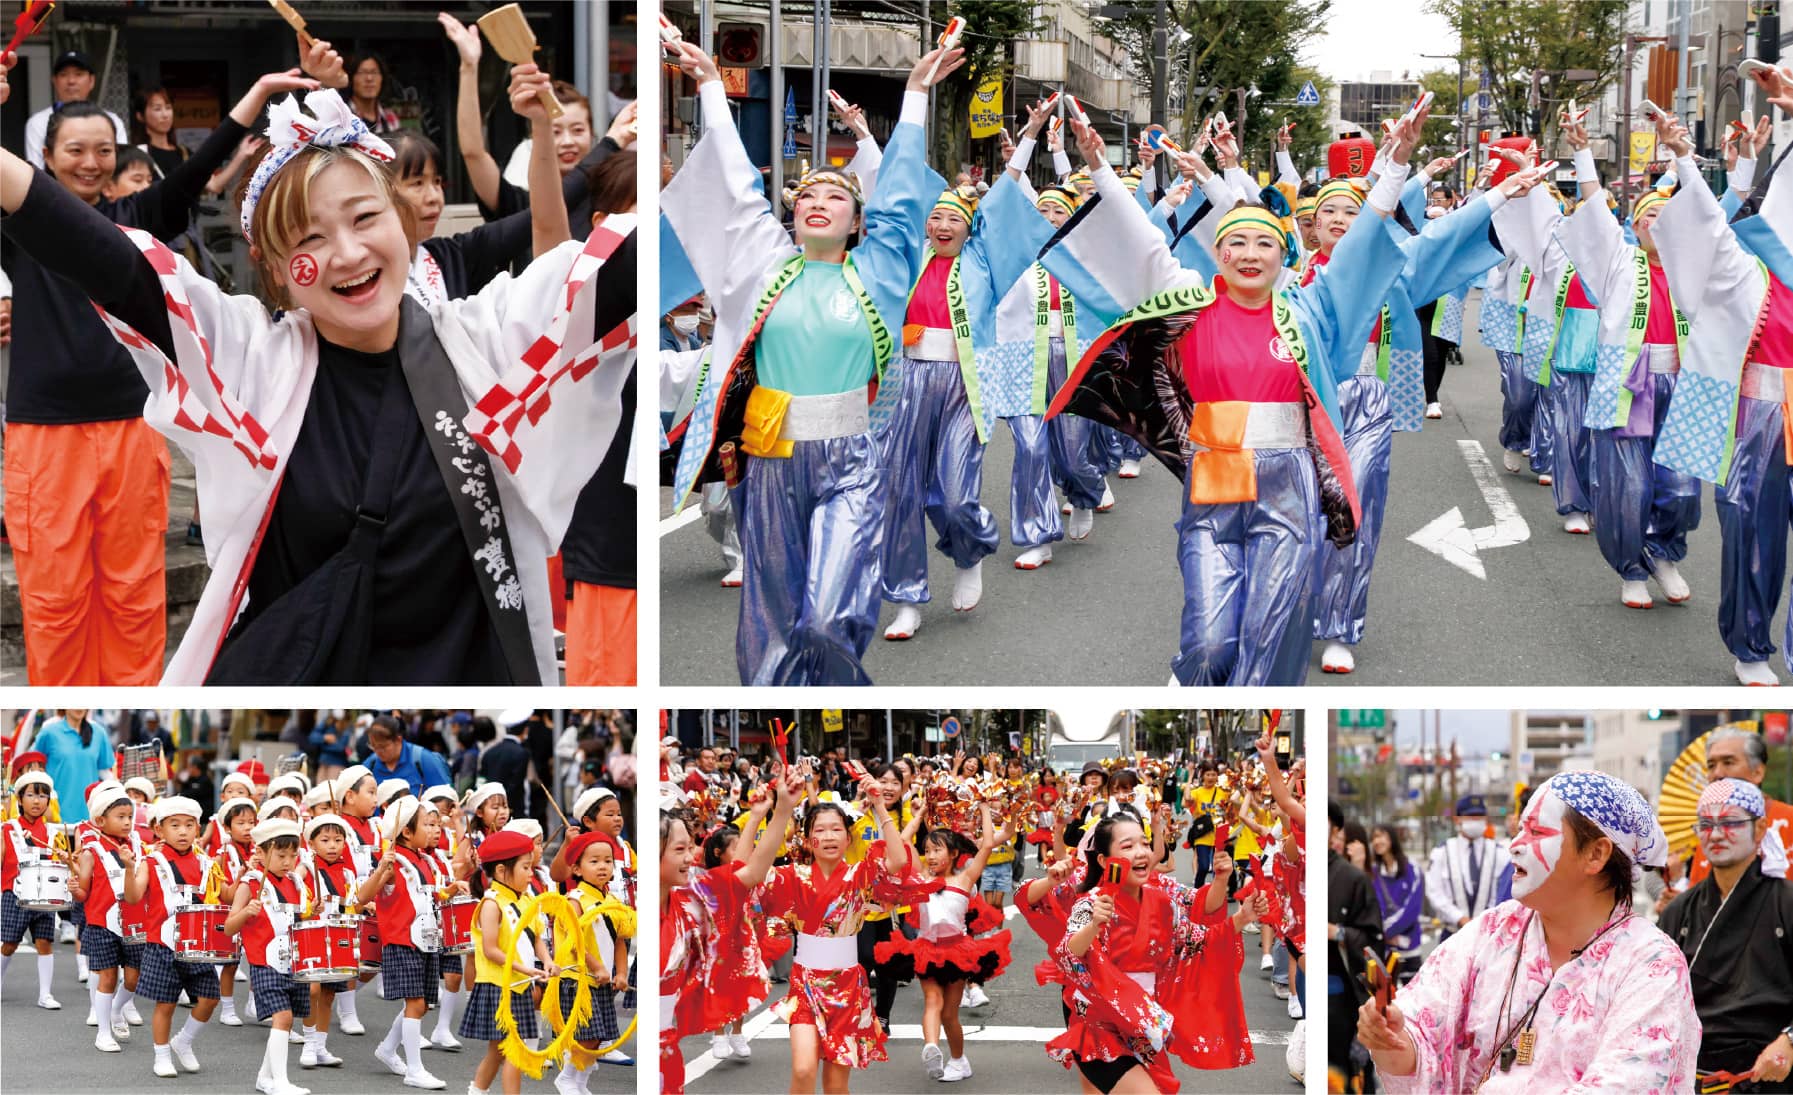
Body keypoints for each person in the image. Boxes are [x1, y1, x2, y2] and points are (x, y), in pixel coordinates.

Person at [0, 54, 634, 686]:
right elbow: (110, 264)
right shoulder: (252, 366)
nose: (348, 254)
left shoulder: (486, 343)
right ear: (273, 268)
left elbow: (624, 274)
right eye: (309, 240)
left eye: (365, 218)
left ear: (403, 224)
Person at [1037, 110, 1431, 685]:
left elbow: (1361, 247)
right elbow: (1144, 245)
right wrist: (1097, 166)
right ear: (1219, 254)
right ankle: (1197, 673)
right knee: (1211, 645)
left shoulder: (1310, 311)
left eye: (1263, 243)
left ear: (1282, 256)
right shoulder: (1189, 304)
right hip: (1213, 481)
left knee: (1270, 635)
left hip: (1287, 486)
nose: (1250, 253)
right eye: (1236, 242)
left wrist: (1395, 164)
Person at [661, 38, 964, 684]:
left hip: (850, 460)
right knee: (769, 621)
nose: (816, 201)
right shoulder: (766, 266)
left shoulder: (879, 271)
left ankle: (835, 688)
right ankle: (778, 706)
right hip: (769, 456)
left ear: (859, 220)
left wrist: (913, 96)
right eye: (804, 197)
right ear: (792, 217)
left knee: (828, 616)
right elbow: (737, 186)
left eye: (834, 197)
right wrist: (712, 86)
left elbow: (905, 195)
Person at [5, 66, 307, 684]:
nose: (91, 162)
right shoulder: (18, 224)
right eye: (76, 151)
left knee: (133, 595)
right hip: (45, 437)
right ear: (46, 156)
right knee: (55, 601)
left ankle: (136, 703)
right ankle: (65, 704)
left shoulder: (135, 217)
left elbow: (196, 175)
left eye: (104, 151)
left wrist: (253, 96)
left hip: (131, 429)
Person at [1356, 770, 1698, 1093]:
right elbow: (1417, 1031)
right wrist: (1390, 1036)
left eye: (1536, 832)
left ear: (1596, 854)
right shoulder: (1493, 930)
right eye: (1520, 830)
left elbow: (1628, 1082)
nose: (1515, 845)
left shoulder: (1653, 964)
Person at [1644, 92, 1793, 684]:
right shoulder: (1744, 268)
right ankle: (1751, 647)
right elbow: (1708, 220)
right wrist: (1684, 157)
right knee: (1752, 527)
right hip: (1760, 413)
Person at [1558, 115, 1701, 612]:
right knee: (1629, 486)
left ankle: (1664, 553)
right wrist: (1581, 154)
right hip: (1628, 382)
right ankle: (1632, 568)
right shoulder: (1619, 261)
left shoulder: (1697, 267)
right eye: (1648, 217)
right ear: (1635, 225)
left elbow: (1717, 213)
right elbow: (1596, 214)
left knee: (1681, 486)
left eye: (1668, 217)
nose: (1658, 225)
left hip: (1681, 382)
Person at [1659, 778, 1793, 1089]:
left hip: (1769, 1071)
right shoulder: (1678, 910)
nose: (1716, 834)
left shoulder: (1786, 902)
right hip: (1693, 1074)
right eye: (1705, 824)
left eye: (1730, 822)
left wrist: (1789, 1040)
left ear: (1760, 829)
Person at [873, 805, 1013, 1082]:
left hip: (957, 951)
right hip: (926, 949)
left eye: (937, 850)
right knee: (931, 1000)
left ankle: (959, 1061)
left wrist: (985, 807)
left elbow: (986, 844)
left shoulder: (965, 878)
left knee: (950, 1014)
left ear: (953, 854)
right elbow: (900, 843)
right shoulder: (920, 878)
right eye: (927, 850)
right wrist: (919, 815)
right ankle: (931, 1047)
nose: (931, 855)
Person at [129, 796, 222, 1078]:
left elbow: (223, 897)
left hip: (198, 943)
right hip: (162, 943)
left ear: (197, 828)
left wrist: (242, 873)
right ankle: (161, 1055)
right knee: (166, 1003)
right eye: (175, 825)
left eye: (189, 825)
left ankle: (183, 1041)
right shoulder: (151, 861)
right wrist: (126, 869)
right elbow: (133, 897)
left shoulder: (206, 863)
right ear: (159, 830)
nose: (183, 831)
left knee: (209, 998)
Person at [1328, 801, 1383, 1090]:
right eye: (1340, 840)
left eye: (1348, 842)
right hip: (1323, 984)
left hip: (1349, 992)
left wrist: (1337, 933)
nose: (1342, 846)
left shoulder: (1358, 880)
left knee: (1354, 1068)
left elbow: (1374, 938)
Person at [1, 770, 63, 1009]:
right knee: (9, 943)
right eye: (31, 795)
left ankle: (45, 994)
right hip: (15, 893)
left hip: (45, 896)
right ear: (20, 799)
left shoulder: (52, 832)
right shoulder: (8, 828)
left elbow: (58, 862)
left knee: (45, 942)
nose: (37, 801)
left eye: (42, 796)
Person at [22, 50, 130, 168]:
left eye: (78, 74)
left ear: (91, 81)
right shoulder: (38, 122)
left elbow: (121, 167)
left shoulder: (111, 120)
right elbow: (37, 171)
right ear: (54, 81)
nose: (71, 81)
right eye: (63, 74)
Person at [1425, 795, 1507, 939]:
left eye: (1479, 816)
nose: (1476, 820)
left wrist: (1487, 920)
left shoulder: (1499, 852)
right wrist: (1459, 918)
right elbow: (1434, 892)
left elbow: (1504, 891)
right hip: (1452, 933)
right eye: (1470, 816)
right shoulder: (1442, 852)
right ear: (1457, 819)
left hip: (1489, 935)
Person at [33, 710, 115, 822]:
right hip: (55, 818)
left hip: (90, 818)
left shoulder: (99, 733)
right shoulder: (48, 732)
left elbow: (105, 773)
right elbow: (33, 769)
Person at [1369, 823, 1423, 977]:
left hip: (1410, 946)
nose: (1377, 841)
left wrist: (1387, 931)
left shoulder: (1412, 868)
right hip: (1385, 950)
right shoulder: (1373, 872)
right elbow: (1374, 907)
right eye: (1374, 838)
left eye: (1381, 836)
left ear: (1392, 837)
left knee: (1413, 996)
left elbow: (1413, 908)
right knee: (1386, 997)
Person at [364, 715, 455, 798]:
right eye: (373, 746)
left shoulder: (424, 760)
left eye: (383, 746)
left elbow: (446, 797)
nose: (378, 751)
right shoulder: (369, 766)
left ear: (398, 740)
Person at [343, 52, 401, 135]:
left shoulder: (390, 118)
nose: (369, 78)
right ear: (351, 79)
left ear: (382, 79)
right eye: (362, 72)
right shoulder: (342, 117)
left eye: (374, 72)